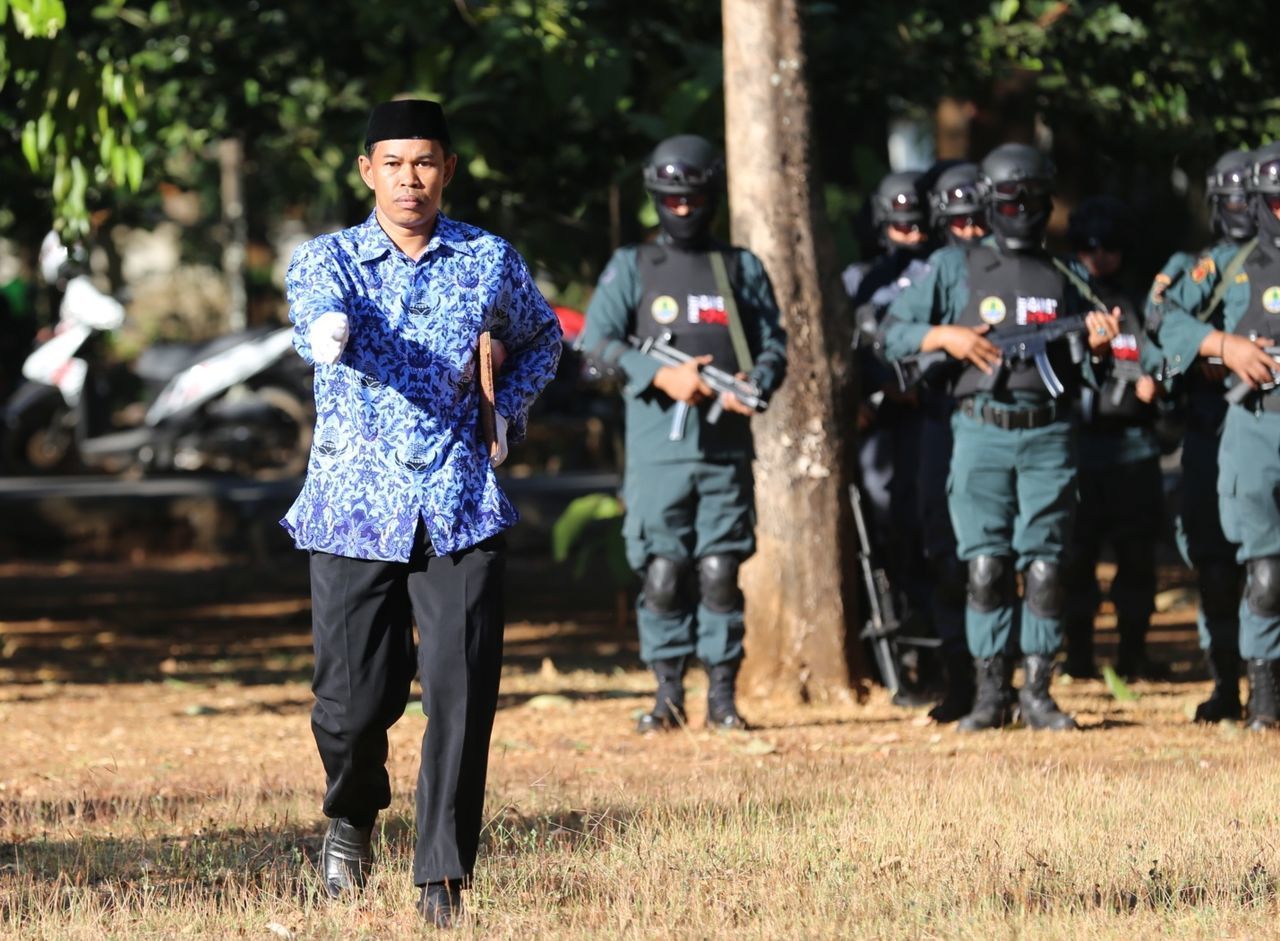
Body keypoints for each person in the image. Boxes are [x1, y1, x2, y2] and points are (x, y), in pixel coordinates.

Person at [281, 98, 562, 926]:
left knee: (462, 689)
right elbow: (316, 315)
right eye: (394, 163)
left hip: (459, 502)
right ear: (368, 171)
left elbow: (543, 338)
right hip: (351, 510)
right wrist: (328, 331)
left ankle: (441, 876)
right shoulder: (327, 259)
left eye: (426, 162)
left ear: (445, 169)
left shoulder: (487, 258)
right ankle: (351, 810)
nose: (411, 178)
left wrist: (503, 414)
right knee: (351, 704)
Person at [881, 142, 1121, 732]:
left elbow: (1099, 358)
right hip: (980, 432)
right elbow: (891, 332)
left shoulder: (1065, 272)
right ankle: (991, 694)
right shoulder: (953, 267)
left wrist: (1096, 344)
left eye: (1032, 198)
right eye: (1010, 198)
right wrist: (947, 338)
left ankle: (1037, 692)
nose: (1021, 208)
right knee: (985, 566)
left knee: (1045, 568)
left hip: (1047, 436)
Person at [578, 133, 787, 734]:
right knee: (664, 574)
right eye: (673, 198)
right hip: (657, 452)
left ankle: (723, 697)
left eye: (694, 197)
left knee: (721, 572)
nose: (685, 209)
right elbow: (597, 344)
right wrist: (661, 375)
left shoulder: (739, 267)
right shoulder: (634, 265)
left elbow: (774, 342)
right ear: (656, 198)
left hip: (724, 451)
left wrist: (755, 379)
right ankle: (667, 696)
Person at [1152, 141, 1280, 730]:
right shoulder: (1219, 266)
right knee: (1239, 567)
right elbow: (1161, 321)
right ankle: (1242, 689)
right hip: (1233, 428)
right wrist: (1219, 347)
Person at [1059, 195, 1166, 680]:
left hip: (1133, 450)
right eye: (1088, 246)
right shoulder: (1065, 301)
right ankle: (1078, 656)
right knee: (1076, 561)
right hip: (1079, 447)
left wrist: (1157, 381)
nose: (1099, 257)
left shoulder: (1137, 304)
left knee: (1137, 559)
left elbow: (1166, 359)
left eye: (1109, 247)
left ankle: (1133, 655)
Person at [914, 160, 991, 721]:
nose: (969, 231)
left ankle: (1011, 685)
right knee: (950, 563)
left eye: (978, 218)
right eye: (957, 221)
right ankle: (961, 683)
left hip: (1007, 426)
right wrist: (944, 338)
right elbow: (885, 330)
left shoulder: (1025, 264)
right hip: (946, 420)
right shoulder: (939, 269)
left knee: (1004, 563)